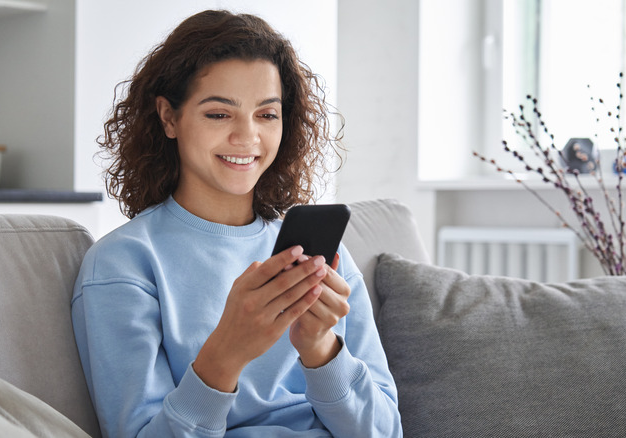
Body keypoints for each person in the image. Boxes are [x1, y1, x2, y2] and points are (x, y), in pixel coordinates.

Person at [71, 9, 402, 438]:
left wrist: (320, 350)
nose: (247, 137)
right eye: (218, 114)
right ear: (169, 117)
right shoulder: (122, 266)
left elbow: (385, 432)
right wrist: (226, 353)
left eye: (267, 115)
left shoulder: (323, 259)